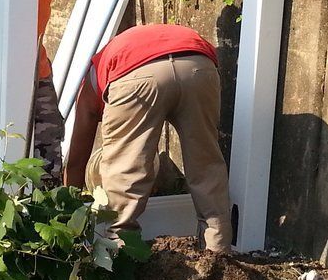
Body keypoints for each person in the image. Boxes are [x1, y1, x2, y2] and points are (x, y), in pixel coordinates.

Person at [63, 23, 233, 253]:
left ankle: (122, 253)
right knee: (206, 164)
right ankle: (218, 254)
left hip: (135, 74)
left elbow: (76, 158)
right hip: (199, 65)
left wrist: (68, 208)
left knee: (125, 170)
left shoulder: (93, 78)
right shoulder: (129, 44)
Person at [32, 0, 104, 178]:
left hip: (36, 60)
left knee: (50, 129)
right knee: (42, 130)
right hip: (18, 59)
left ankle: (44, 201)